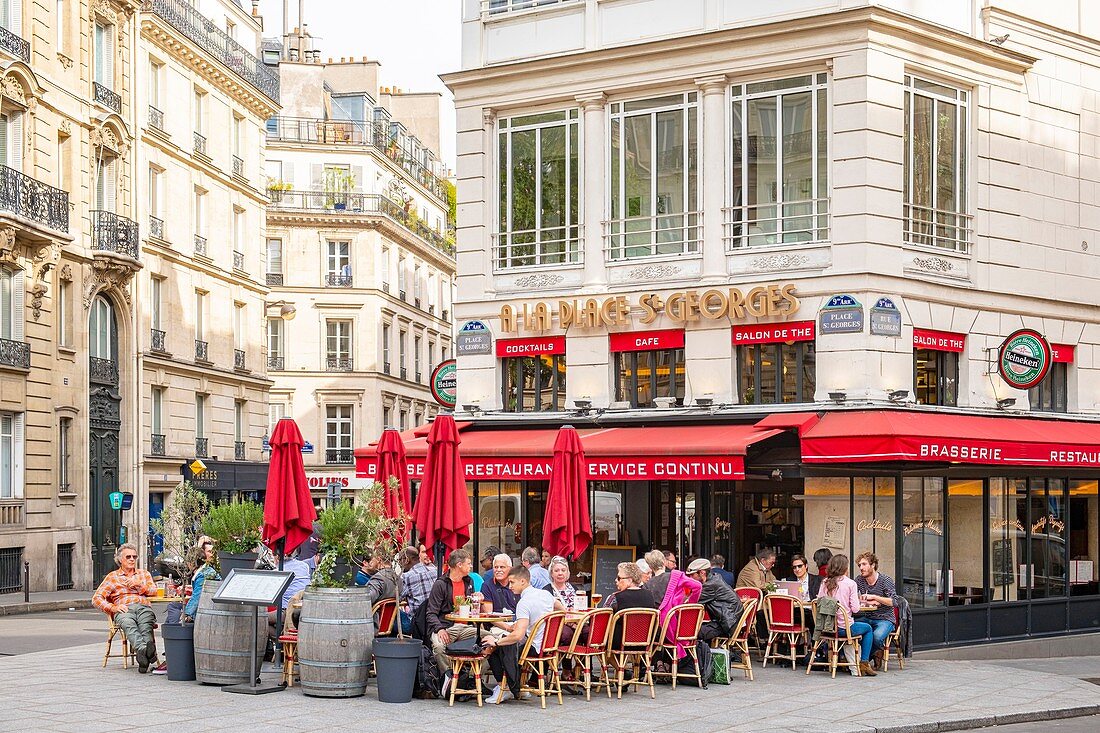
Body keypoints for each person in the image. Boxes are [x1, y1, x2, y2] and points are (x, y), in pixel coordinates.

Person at [482, 565, 560, 703]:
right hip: (548, 645)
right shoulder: (545, 594)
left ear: (523, 581)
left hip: (534, 647)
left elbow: (518, 635)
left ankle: (504, 687)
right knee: (506, 642)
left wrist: (496, 642)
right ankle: (517, 685)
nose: (510, 586)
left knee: (493, 648)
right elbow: (559, 606)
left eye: (512, 582)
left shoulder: (524, 603)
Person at [92, 543, 160, 673]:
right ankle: (146, 651)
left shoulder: (143, 574)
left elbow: (154, 591)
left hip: (143, 606)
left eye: (134, 557)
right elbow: (96, 599)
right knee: (128, 623)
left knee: (146, 624)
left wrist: (139, 585)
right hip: (124, 608)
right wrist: (113, 607)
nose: (132, 559)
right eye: (128, 557)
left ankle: (143, 655)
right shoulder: (113, 577)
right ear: (120, 560)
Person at [816, 554, 875, 677]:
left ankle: (853, 663)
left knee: (856, 630)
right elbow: (856, 609)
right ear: (845, 567)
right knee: (868, 628)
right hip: (843, 629)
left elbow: (819, 602)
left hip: (826, 628)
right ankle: (864, 662)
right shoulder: (850, 584)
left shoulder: (825, 582)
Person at [425, 549, 477, 676]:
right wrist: (439, 629)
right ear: (459, 565)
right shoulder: (441, 584)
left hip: (466, 627)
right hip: (446, 626)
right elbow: (431, 613)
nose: (470, 566)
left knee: (491, 640)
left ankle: (470, 678)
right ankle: (449, 678)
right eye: (468, 563)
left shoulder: (469, 581)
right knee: (438, 647)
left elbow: (470, 607)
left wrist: (477, 600)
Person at [854, 551, 896, 669]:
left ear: (873, 565)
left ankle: (873, 653)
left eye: (864, 564)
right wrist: (864, 601)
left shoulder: (885, 580)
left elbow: (894, 601)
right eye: (859, 565)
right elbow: (853, 597)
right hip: (867, 617)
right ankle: (871, 654)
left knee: (877, 637)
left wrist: (875, 597)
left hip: (885, 618)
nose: (861, 568)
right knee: (850, 630)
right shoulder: (859, 580)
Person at [687, 558, 743, 642]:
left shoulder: (710, 585)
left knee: (688, 631)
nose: (690, 578)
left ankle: (695, 654)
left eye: (692, 575)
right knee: (692, 629)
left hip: (726, 624)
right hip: (729, 620)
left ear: (702, 573)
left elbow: (690, 603)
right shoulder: (714, 578)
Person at [607, 562, 658, 650]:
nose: (616, 580)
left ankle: (619, 664)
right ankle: (633, 663)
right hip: (646, 643)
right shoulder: (650, 595)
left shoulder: (615, 597)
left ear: (630, 580)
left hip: (619, 644)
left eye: (619, 578)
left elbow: (603, 618)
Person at [402, 543, 438, 614]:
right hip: (436, 616)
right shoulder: (436, 570)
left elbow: (397, 597)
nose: (400, 563)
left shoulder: (406, 577)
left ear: (406, 560)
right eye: (424, 552)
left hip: (417, 620)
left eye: (400, 559)